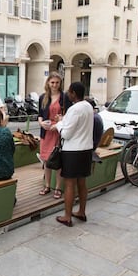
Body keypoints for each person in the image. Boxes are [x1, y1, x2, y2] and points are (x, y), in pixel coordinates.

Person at [52, 82, 94, 227]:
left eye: (69, 92)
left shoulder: (74, 109)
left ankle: (67, 216)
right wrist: (64, 121)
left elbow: (66, 134)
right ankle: (81, 211)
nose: (67, 94)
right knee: (82, 183)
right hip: (86, 149)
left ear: (73, 93)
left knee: (69, 184)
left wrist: (58, 124)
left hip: (72, 151)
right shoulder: (88, 106)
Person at [38, 71, 72, 199]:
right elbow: (40, 114)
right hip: (46, 132)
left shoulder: (65, 97)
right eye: (52, 82)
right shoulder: (43, 97)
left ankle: (57, 188)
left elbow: (69, 115)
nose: (54, 85)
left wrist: (59, 121)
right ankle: (46, 185)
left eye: (57, 82)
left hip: (58, 131)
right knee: (46, 160)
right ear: (48, 83)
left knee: (57, 160)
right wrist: (41, 123)